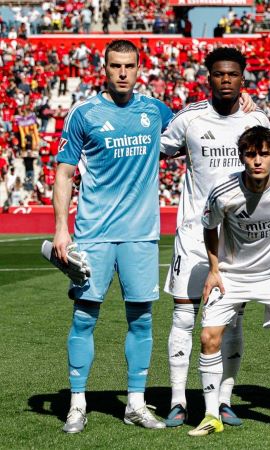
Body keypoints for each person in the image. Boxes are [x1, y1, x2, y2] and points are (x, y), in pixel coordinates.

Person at [54, 39, 173, 433]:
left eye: (129, 66)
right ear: (104, 68)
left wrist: (244, 106)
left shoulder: (155, 111)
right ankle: (77, 404)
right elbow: (65, 173)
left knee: (141, 320)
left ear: (139, 69)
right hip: (94, 234)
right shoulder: (84, 113)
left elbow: (198, 129)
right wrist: (61, 228)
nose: (123, 73)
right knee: (84, 317)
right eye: (115, 66)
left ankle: (135, 404)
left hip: (141, 235)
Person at [161, 47, 270, 428]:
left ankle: (224, 400)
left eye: (233, 74)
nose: (226, 80)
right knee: (183, 316)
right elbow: (156, 150)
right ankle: (177, 401)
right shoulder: (189, 119)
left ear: (243, 78)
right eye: (219, 74)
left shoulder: (257, 119)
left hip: (239, 240)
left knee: (232, 322)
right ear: (209, 78)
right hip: (194, 235)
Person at [188, 126, 270, 437]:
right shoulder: (223, 192)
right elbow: (209, 227)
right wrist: (214, 269)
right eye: (250, 155)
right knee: (208, 338)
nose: (257, 161)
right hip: (232, 275)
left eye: (264, 154)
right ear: (241, 158)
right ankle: (211, 414)